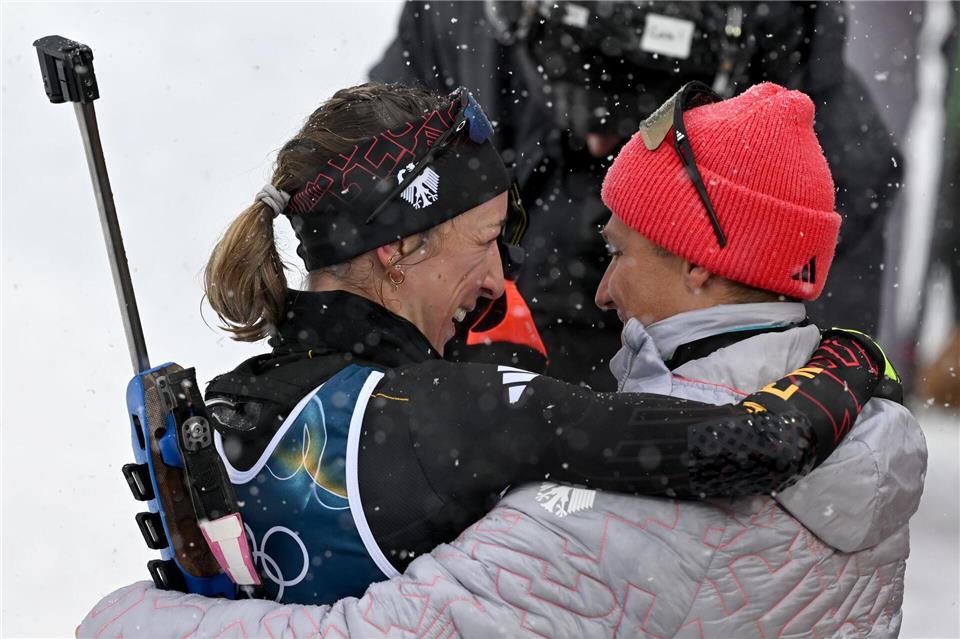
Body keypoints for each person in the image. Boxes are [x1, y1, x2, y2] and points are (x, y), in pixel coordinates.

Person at [78, 83, 915, 638]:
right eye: (486, 242)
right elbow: (747, 440)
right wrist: (850, 358)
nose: (500, 277)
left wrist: (130, 614)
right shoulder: (458, 413)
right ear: (396, 248)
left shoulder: (242, 401)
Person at [371, 1, 902, 390]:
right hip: (488, 366)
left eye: (631, 116)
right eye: (571, 98)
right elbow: (368, 230)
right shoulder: (456, 25)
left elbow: (829, 383)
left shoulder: (822, 141)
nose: (600, 140)